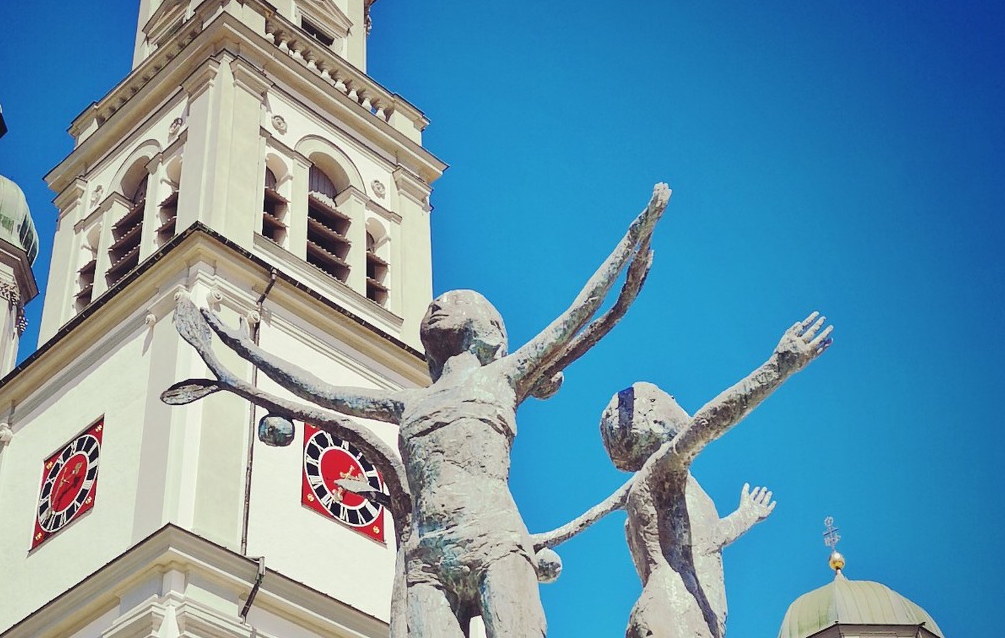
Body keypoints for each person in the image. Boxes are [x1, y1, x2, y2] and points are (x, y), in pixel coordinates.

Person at [170, 183, 673, 638]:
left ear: (488, 331)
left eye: (455, 302)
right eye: (436, 302)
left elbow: (579, 313)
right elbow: (320, 393)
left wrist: (634, 237)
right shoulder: (412, 401)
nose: (437, 303)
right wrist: (237, 342)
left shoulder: (502, 377)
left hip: (494, 540)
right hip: (427, 556)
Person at [532, 313, 832, 638]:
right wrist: (777, 368)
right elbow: (709, 423)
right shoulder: (662, 471)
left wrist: (745, 516)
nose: (676, 400)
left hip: (690, 615)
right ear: (655, 423)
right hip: (674, 614)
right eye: (667, 397)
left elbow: (704, 544)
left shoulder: (660, 491)